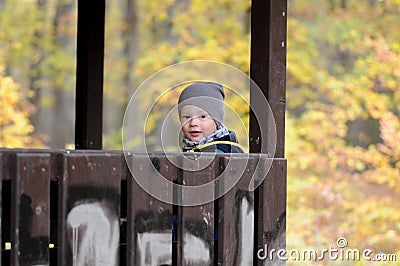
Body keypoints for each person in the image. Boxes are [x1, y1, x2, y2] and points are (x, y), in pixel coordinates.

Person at [177, 81, 244, 153]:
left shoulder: (222, 152)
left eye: (202, 117)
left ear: (217, 120)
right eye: (187, 117)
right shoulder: (189, 147)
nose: (193, 123)